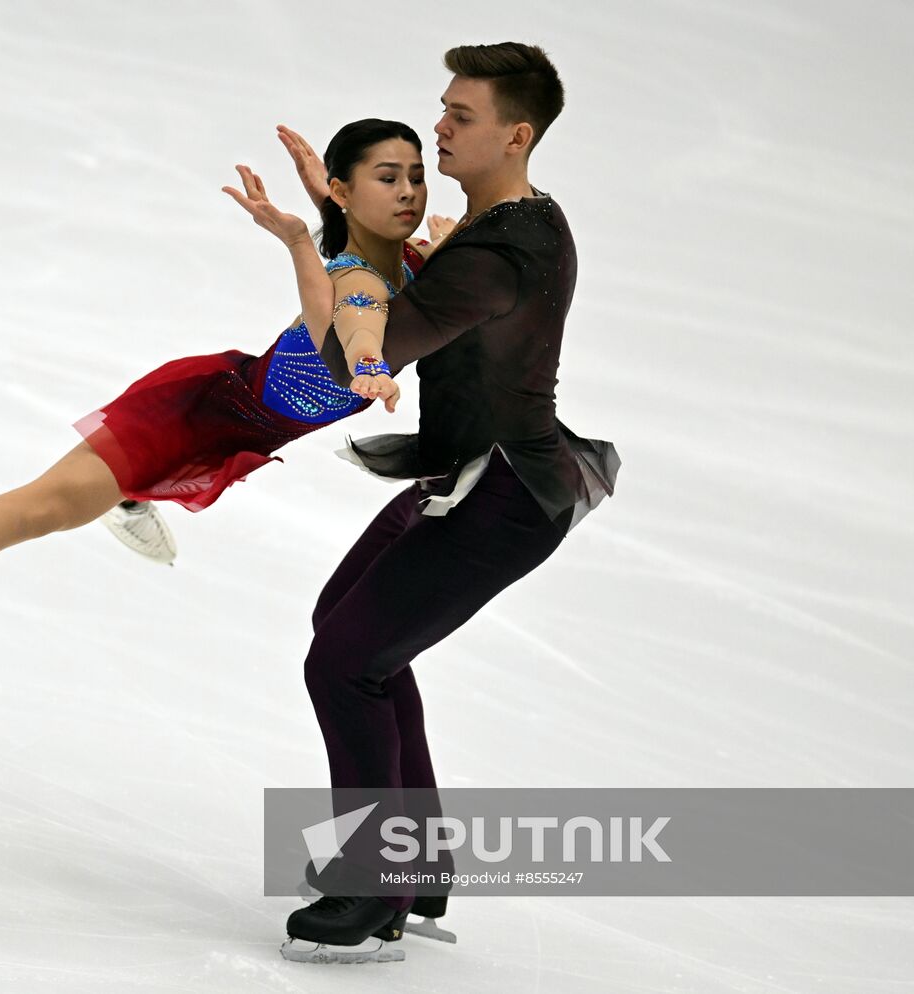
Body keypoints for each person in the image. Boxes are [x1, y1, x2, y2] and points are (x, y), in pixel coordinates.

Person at [0, 119, 452, 697]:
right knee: (45, 505)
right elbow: (339, 318)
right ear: (345, 192)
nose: (411, 194)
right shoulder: (351, 277)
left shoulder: (396, 260)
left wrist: (329, 199)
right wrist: (308, 255)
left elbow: (361, 241)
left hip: (234, 428)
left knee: (67, 500)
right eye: (388, 178)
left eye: (416, 177)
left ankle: (130, 493)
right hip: (201, 414)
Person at [277, 42, 621, 954]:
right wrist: (341, 205)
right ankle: (416, 860)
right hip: (468, 477)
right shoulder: (499, 225)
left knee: (346, 661)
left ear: (516, 135)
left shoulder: (502, 249)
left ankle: (378, 881)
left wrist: (321, 237)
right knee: (347, 632)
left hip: (503, 496)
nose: (438, 128)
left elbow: (372, 350)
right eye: (443, 109)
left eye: (458, 117)